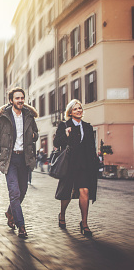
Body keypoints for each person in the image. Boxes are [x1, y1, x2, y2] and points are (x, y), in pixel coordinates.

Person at [0, 87, 39, 239]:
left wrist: (33, 135)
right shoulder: (2, 119)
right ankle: (21, 226)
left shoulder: (29, 116)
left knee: (22, 191)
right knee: (14, 192)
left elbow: (36, 135)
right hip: (9, 160)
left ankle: (10, 212)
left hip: (24, 159)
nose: (20, 101)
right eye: (17, 98)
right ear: (11, 100)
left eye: (22, 98)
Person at [53, 99, 98, 237]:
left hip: (84, 165)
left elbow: (91, 147)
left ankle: (84, 223)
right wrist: (65, 134)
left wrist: (95, 161)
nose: (78, 110)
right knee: (66, 193)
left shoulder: (88, 127)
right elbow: (56, 142)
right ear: (70, 112)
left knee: (85, 191)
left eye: (80, 108)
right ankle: (62, 214)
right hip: (70, 164)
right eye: (75, 109)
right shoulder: (64, 125)